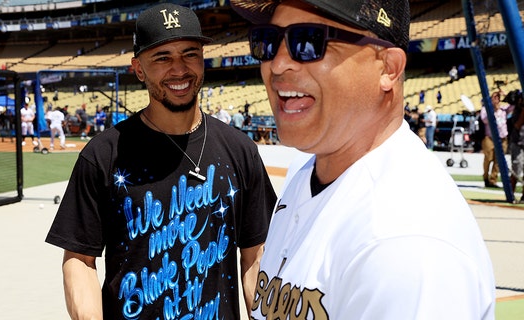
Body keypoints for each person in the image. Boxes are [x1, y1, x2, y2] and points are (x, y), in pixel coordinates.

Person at [231, 0, 495, 319]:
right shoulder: (308, 173)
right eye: (268, 42)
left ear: (388, 68)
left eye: (309, 40)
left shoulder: (405, 244)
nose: (277, 63)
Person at [45, 3, 277, 319]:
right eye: (162, 57)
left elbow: (255, 257)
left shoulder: (240, 150)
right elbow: (79, 260)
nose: (179, 69)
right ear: (138, 69)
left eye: (190, 54)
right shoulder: (104, 154)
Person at [481, 91, 509, 188]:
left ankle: (493, 180)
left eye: (498, 97)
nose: (496, 99)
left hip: (502, 138)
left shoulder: (503, 109)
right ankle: (485, 176)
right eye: (494, 97)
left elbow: (513, 106)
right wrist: (492, 110)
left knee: (498, 160)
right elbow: (484, 119)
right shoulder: (486, 109)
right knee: (488, 158)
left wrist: (506, 96)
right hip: (490, 137)